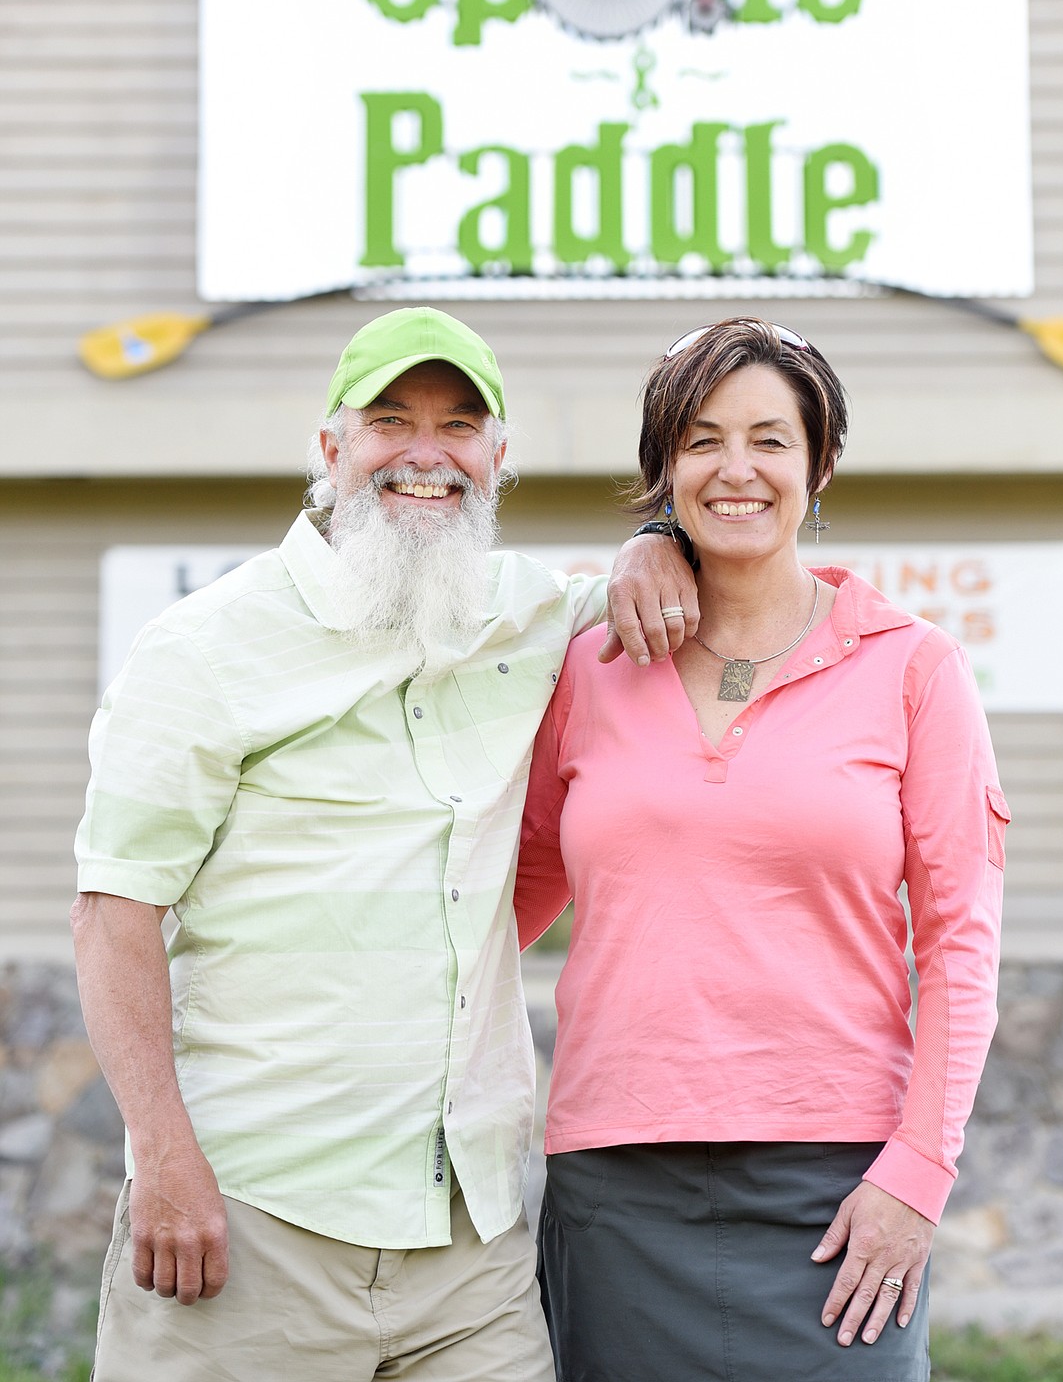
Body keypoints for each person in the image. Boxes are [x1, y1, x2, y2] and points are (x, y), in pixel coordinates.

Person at [71, 305, 697, 1382]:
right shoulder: (203, 649)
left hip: (472, 1245)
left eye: (460, 426)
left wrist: (657, 539)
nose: (425, 453)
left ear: (498, 458)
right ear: (331, 449)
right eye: (389, 419)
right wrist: (163, 1157)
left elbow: (681, 592)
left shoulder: (533, 616)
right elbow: (113, 910)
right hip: (250, 1219)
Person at [516, 317, 1008, 1382]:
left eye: (770, 440)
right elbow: (512, 895)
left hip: (841, 1188)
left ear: (820, 462)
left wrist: (918, 1172)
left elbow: (964, 946)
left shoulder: (914, 669)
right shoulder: (586, 666)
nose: (735, 468)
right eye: (700, 439)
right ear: (664, 471)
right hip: (617, 1182)